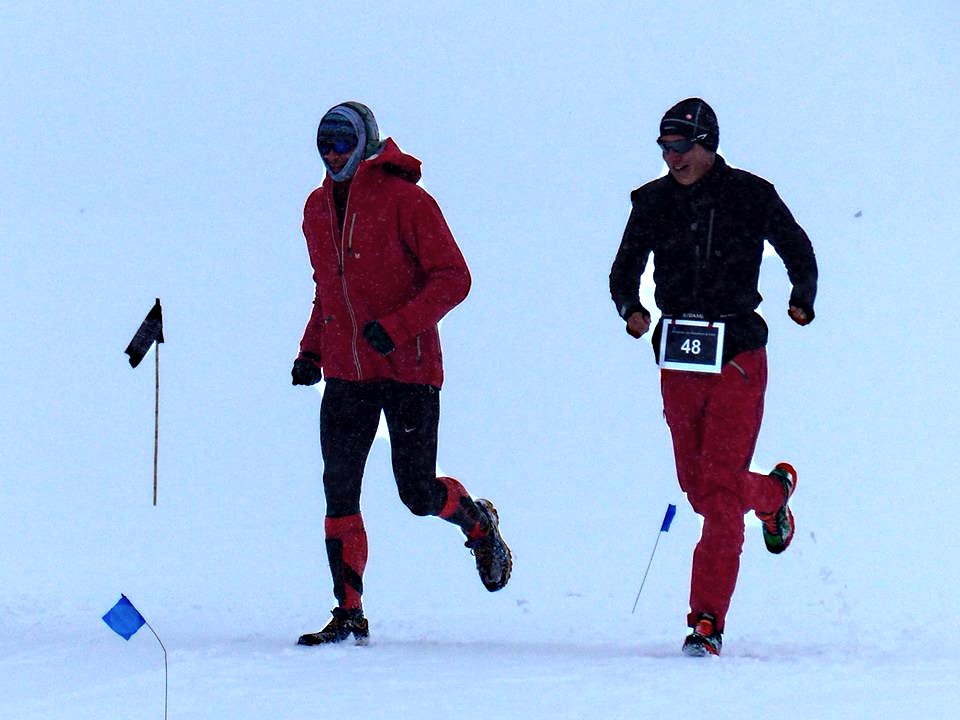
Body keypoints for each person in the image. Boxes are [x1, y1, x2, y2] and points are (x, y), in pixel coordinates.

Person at [292, 101, 512, 646]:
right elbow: (329, 290)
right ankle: (349, 611)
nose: (333, 153)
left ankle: (478, 524)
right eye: (324, 143)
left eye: (343, 141)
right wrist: (311, 351)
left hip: (409, 370)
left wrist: (397, 326)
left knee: (415, 492)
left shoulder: (408, 201)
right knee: (338, 488)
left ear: (365, 140)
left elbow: (454, 278)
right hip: (346, 373)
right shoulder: (316, 209)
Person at [609, 98, 818, 657]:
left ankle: (706, 621)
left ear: (708, 143)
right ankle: (773, 494)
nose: (671, 157)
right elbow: (622, 269)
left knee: (721, 494)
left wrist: (802, 298)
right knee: (699, 488)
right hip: (678, 353)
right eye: (664, 148)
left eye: (680, 146)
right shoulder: (650, 202)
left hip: (738, 352)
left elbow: (797, 248)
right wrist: (631, 308)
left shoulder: (750, 193)